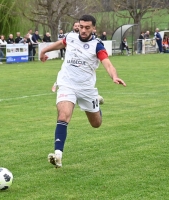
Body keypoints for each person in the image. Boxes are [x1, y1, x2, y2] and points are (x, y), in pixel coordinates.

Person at [40, 14, 126, 168]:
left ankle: (97, 103)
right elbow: (61, 43)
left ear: (93, 28)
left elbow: (107, 63)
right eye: (81, 27)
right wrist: (44, 51)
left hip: (86, 89)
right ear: (78, 26)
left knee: (96, 124)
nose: (83, 30)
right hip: (67, 84)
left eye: (87, 27)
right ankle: (58, 155)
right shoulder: (71, 37)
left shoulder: (97, 45)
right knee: (63, 116)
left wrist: (114, 76)